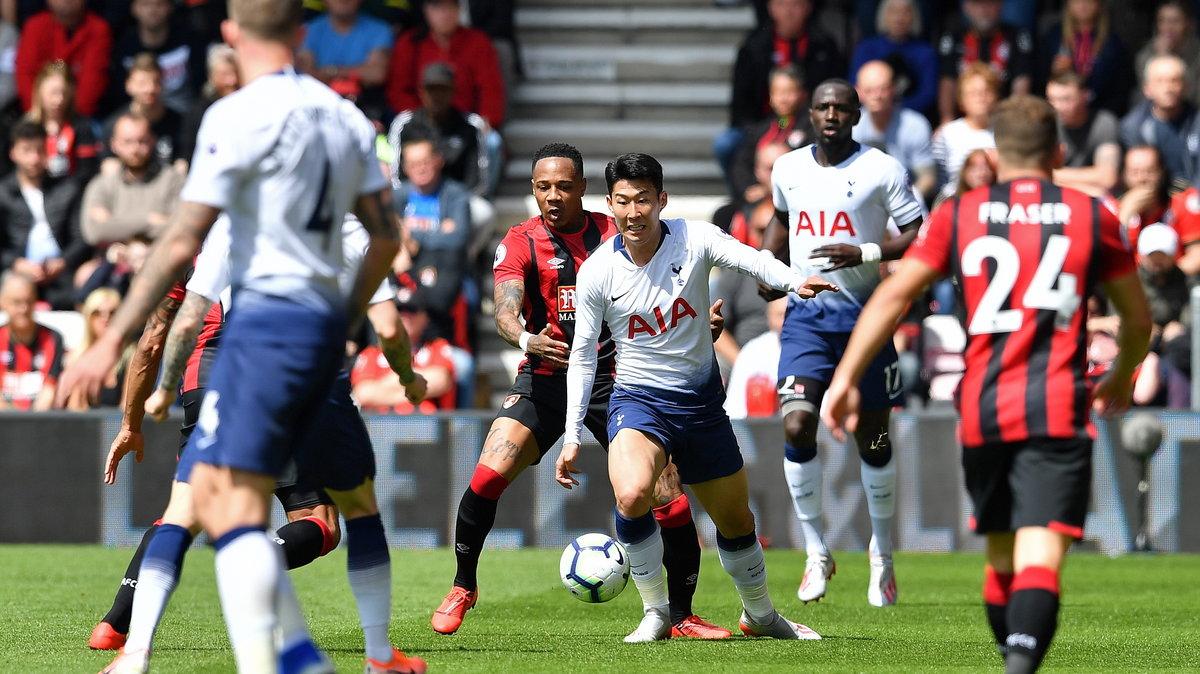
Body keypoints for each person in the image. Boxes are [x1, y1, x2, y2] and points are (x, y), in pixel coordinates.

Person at [55, 0, 419, 670]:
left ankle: (212, 657)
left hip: (258, 335)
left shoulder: (233, 116)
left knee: (223, 509)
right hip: (322, 339)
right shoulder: (346, 117)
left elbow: (181, 246)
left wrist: (111, 344)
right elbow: (388, 237)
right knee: (354, 506)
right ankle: (374, 655)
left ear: (229, 35)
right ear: (301, 33)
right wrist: (345, 314)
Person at [822, 94, 1152, 674]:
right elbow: (1139, 319)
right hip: (1056, 402)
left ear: (994, 153)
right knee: (1041, 552)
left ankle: (1013, 659)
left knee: (1002, 557)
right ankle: (1020, 665)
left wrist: (846, 376)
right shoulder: (1092, 213)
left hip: (984, 405)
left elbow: (895, 294)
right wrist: (1121, 375)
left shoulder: (961, 213)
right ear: (1058, 151)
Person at [96, 215, 428, 674]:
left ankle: (130, 644)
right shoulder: (350, 225)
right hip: (310, 379)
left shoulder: (228, 224)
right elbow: (389, 328)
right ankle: (378, 655)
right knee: (337, 518)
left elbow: (166, 332)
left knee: (186, 510)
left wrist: (155, 399)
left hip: (226, 373)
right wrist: (410, 379)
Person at [430, 143, 730, 640]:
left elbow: (666, 291)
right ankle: (464, 585)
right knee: (487, 475)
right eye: (543, 187)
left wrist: (697, 327)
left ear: (583, 189)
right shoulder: (522, 241)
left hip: (620, 380)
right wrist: (528, 339)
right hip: (546, 377)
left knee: (669, 500)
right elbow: (504, 311)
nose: (553, 196)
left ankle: (681, 616)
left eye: (564, 186)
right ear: (532, 189)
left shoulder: (615, 232)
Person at [556, 152, 834, 643]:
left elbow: (752, 258)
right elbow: (582, 357)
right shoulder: (598, 270)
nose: (633, 212)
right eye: (622, 201)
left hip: (702, 406)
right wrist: (573, 434)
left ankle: (761, 615)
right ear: (609, 204)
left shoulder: (696, 237)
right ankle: (656, 613)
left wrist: (795, 282)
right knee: (632, 492)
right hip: (638, 401)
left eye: (643, 199)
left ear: (661, 200)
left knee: (736, 522)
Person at [763, 78, 924, 607]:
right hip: (807, 317)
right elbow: (780, 221)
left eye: (842, 107)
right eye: (824, 106)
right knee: (797, 421)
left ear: (856, 115)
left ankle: (882, 555)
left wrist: (868, 252)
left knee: (873, 438)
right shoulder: (788, 167)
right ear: (810, 113)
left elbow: (920, 232)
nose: (832, 114)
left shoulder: (882, 168)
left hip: (867, 318)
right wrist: (769, 266)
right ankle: (815, 549)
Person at [716, 0, 843, 186]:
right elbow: (741, 103)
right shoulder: (753, 47)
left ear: (808, 7)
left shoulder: (824, 46)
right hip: (761, 125)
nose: (789, 12)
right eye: (782, 4)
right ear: (771, 8)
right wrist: (761, 132)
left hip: (805, 124)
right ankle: (744, 201)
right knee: (727, 143)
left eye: (796, 5)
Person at [0, 119, 89, 310]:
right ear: (13, 153)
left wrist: (62, 262)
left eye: (39, 151)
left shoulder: (67, 188)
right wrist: (17, 263)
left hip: (61, 273)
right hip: (16, 273)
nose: (33, 158)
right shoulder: (3, 193)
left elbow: (80, 238)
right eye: (26, 151)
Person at [386, 0, 505, 130]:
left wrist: (486, 121)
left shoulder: (478, 42)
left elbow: (491, 88)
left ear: (459, 10)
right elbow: (398, 91)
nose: (444, 14)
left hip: (466, 125)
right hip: (420, 125)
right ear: (426, 10)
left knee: (491, 141)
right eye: (437, 7)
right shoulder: (409, 43)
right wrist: (419, 121)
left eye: (449, 7)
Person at [81, 113, 185, 247]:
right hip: (116, 264)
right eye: (127, 142)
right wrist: (149, 220)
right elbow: (95, 232)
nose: (135, 149)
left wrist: (116, 224)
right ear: (114, 144)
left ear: (153, 140)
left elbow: (179, 228)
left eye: (142, 141)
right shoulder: (102, 184)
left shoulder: (174, 180)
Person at [352, 283, 456, 413]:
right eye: (399, 310)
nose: (405, 316)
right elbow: (363, 395)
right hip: (382, 427)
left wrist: (387, 383)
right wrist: (412, 388)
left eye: (412, 310)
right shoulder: (371, 353)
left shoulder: (437, 347)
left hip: (427, 427)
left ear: (425, 317)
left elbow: (440, 381)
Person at [935, 0, 1033, 126]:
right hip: (963, 119)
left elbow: (1021, 80)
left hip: (1004, 119)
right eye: (977, 4)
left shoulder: (1017, 36)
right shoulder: (953, 36)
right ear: (966, 8)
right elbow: (947, 79)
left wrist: (1014, 119)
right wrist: (947, 118)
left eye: (990, 3)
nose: (984, 10)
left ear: (1000, 6)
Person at [852, 59, 936, 202]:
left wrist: (902, 205)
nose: (877, 95)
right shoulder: (851, 127)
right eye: (869, 90)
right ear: (858, 92)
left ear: (894, 88)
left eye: (882, 88)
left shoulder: (915, 125)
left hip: (907, 201)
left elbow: (928, 179)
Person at [15, 0, 112, 117]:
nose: (66, 0)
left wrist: (71, 120)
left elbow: (93, 81)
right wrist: (38, 113)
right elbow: (25, 75)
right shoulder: (34, 26)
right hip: (37, 114)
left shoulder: (98, 29)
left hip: (81, 117)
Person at [109, 0, 206, 115]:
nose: (152, 11)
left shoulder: (189, 40)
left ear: (170, 7)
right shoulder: (124, 47)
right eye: (145, 4)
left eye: (159, 4)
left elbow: (200, 86)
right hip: (137, 119)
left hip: (185, 116)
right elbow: (119, 94)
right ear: (134, 9)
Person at [1120, 54, 1200, 191]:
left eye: (1174, 81)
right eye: (1160, 81)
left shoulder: (1196, 122)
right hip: (1152, 199)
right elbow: (1136, 175)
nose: (1167, 88)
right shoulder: (1133, 126)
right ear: (1147, 89)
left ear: (1186, 86)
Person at [1038, 0, 1131, 116]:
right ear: (1068, 5)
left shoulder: (1112, 42)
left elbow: (1121, 88)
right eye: (1077, 1)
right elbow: (1039, 79)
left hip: (1100, 111)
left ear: (1099, 5)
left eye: (1089, 1)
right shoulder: (1053, 37)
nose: (1083, 5)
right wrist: (1054, 73)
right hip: (1059, 111)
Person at [848, 0, 938, 116]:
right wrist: (877, 105)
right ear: (884, 15)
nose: (899, 18)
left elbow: (928, 94)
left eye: (905, 12)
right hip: (869, 113)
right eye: (893, 12)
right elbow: (854, 86)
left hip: (910, 116)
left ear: (914, 17)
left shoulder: (926, 52)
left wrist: (892, 109)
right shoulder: (866, 48)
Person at [102, 55, 187, 169]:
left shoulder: (180, 123)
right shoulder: (115, 125)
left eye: (156, 82)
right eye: (142, 83)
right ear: (128, 85)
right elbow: (107, 163)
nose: (150, 89)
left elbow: (184, 161)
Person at [296, 0, 392, 100]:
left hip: (365, 104)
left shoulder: (380, 30)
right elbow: (305, 76)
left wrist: (330, 71)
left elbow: (377, 74)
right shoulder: (308, 30)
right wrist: (356, 75)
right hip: (317, 100)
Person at [1045, 69, 1121, 195]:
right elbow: (1033, 174)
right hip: (1071, 195)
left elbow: (1108, 178)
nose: (1058, 107)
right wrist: (1088, 188)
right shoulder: (1045, 124)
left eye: (1066, 99)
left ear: (1085, 95)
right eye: (1052, 100)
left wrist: (1053, 175)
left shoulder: (1104, 123)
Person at [24, 61, 101, 182]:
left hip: (72, 193)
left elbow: (87, 172)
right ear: (39, 91)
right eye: (53, 93)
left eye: (64, 93)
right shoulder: (26, 127)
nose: (59, 100)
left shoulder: (81, 126)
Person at [0, 271, 65, 411]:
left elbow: (49, 391)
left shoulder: (52, 338)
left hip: (40, 423)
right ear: (2, 302)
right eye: (17, 302)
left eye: (29, 301)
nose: (24, 309)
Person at [932, 62, 998, 200]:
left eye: (986, 91)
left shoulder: (1006, 133)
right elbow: (939, 180)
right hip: (955, 204)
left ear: (996, 97)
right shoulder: (947, 133)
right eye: (973, 93)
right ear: (961, 99)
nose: (980, 97)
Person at [63, 287, 126, 410]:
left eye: (112, 313)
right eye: (97, 313)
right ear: (88, 317)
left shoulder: (130, 356)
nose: (105, 318)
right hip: (86, 425)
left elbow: (128, 409)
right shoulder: (77, 356)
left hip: (116, 425)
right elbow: (75, 408)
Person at [725, 297, 787, 420]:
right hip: (758, 428)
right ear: (769, 318)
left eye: (789, 314)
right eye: (780, 315)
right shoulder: (753, 351)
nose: (785, 321)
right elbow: (735, 408)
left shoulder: (814, 349)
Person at [1134, 1, 1200, 107]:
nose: (1169, 27)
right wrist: (1160, 58)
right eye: (1162, 21)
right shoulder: (1146, 54)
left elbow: (1193, 94)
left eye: (1175, 21)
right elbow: (1150, 93)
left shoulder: (1197, 53)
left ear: (1188, 23)